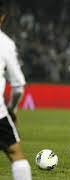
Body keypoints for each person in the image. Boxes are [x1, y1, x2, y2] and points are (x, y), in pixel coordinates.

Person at [0, 2, 32, 180]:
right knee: (15, 153)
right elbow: (18, 86)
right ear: (2, 17)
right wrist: (11, 109)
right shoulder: (5, 43)